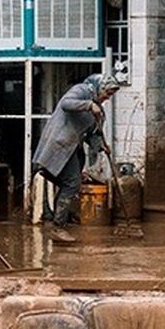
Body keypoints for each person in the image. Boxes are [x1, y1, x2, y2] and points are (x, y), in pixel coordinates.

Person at [32, 72, 120, 244]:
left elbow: (92, 135)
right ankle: (58, 227)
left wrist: (101, 146)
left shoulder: (98, 111)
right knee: (72, 183)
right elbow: (65, 104)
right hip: (58, 145)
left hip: (71, 149)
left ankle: (59, 221)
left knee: (70, 184)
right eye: (107, 93)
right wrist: (88, 105)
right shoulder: (81, 91)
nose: (107, 98)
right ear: (99, 87)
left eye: (110, 96)